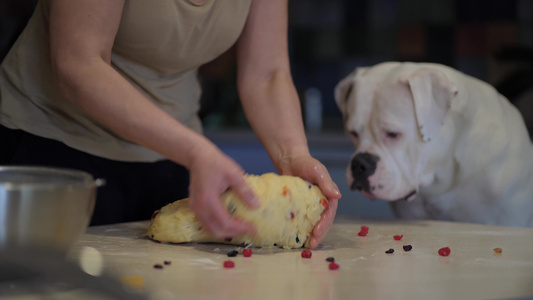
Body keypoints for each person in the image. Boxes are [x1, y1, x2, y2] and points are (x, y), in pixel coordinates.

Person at [0, 0, 341, 249]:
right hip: (54, 151)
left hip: (171, 157)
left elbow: (266, 74)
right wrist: (194, 150)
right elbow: (78, 64)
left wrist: (293, 155)